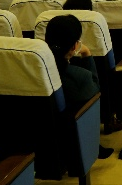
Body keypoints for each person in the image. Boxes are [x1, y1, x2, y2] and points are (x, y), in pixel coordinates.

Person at [43, 15, 114, 159]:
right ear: (75, 46)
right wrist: (87, 54)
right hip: (70, 137)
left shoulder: (37, 68)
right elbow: (95, 90)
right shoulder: (80, 77)